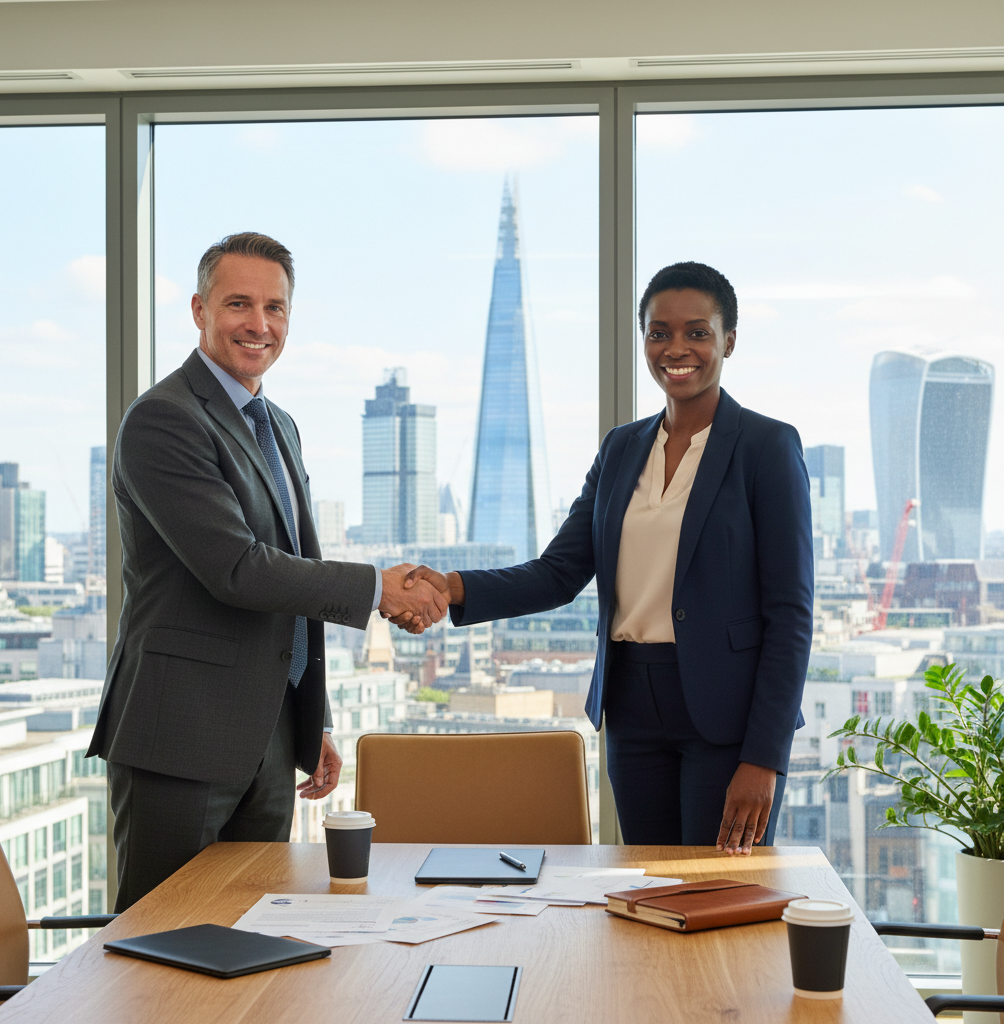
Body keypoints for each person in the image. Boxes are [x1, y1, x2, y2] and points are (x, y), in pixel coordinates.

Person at [399, 262, 812, 854]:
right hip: (631, 706)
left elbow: (790, 615)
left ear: (729, 340)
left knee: (715, 892)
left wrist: (765, 758)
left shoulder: (767, 447)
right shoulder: (622, 448)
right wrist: (451, 586)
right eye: (658, 332)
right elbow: (558, 571)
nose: (677, 348)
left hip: (726, 713)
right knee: (646, 886)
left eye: (697, 332)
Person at [87, 232, 446, 910]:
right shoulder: (164, 419)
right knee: (161, 945)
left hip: (270, 740)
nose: (259, 325)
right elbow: (239, 570)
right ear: (199, 309)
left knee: (249, 934)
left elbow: (295, 574)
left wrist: (314, 719)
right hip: (180, 739)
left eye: (275, 308)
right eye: (239, 304)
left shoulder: (277, 422)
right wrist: (376, 588)